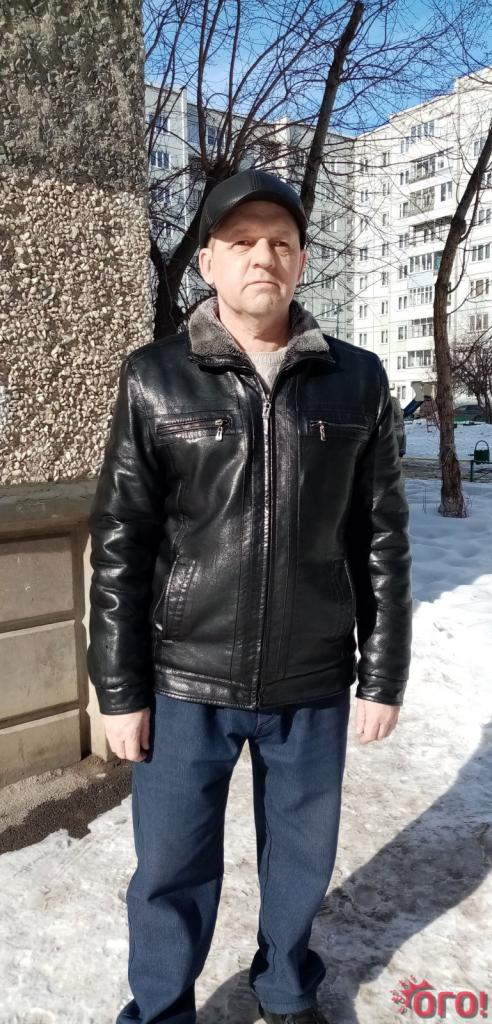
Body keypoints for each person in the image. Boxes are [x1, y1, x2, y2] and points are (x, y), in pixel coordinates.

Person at [87, 168, 413, 1024]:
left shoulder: (357, 380)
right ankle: (161, 1010)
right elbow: (121, 541)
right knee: (169, 870)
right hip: (184, 681)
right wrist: (119, 689)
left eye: (281, 242)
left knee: (300, 863)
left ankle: (286, 990)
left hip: (311, 680)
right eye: (241, 241)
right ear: (208, 261)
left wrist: (381, 673)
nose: (263, 255)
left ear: (301, 260)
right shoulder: (155, 378)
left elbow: (379, 536)